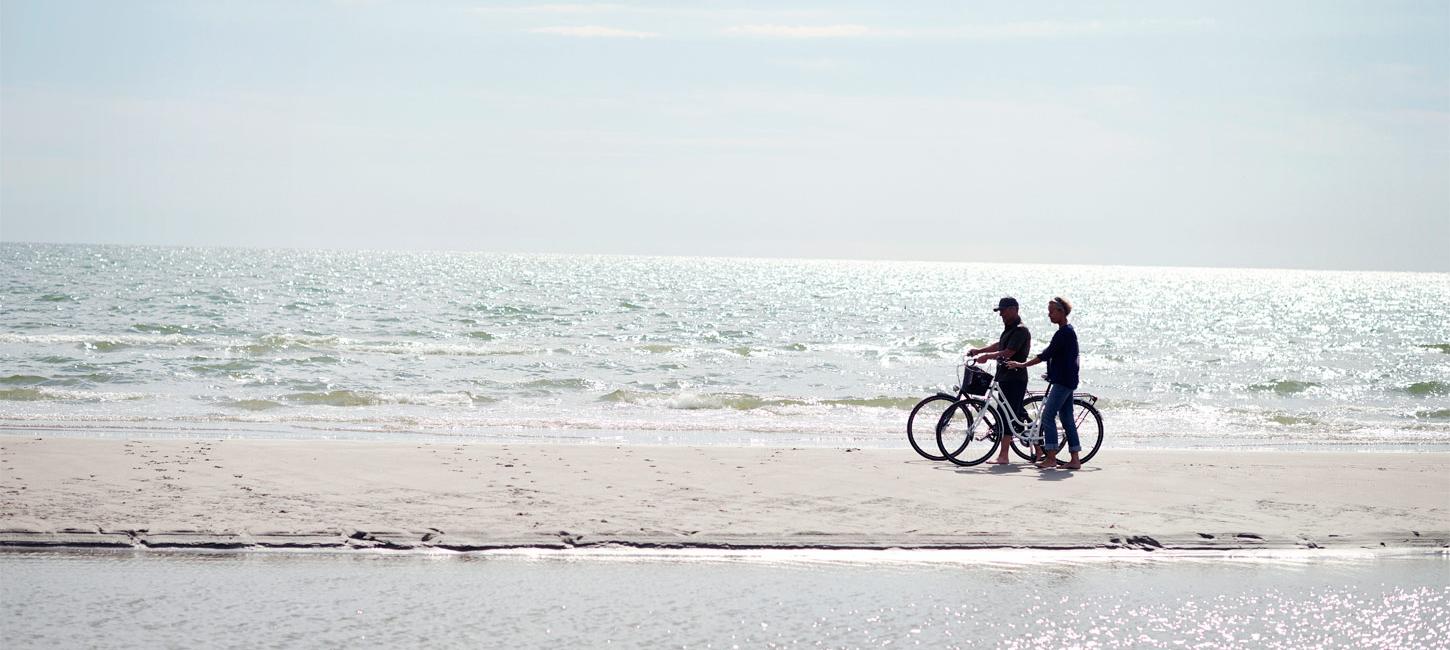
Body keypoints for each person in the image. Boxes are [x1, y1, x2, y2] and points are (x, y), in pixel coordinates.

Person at [1007, 296, 1080, 469]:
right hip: (1067, 380)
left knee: (1047, 416)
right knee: (1067, 418)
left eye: (1052, 312)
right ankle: (1075, 459)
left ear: (1061, 312)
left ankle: (1051, 457)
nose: (1049, 315)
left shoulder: (1064, 333)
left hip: (1063, 381)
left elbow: (1047, 354)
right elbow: (1062, 357)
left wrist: (1022, 364)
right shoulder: (1067, 331)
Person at [966, 297, 1031, 465]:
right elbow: (1000, 345)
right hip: (1004, 377)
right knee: (1016, 413)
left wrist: (987, 357)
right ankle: (1038, 450)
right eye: (999, 311)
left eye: (1003, 310)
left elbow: (1008, 352)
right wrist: (980, 350)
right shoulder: (1009, 329)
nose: (1000, 314)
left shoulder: (1020, 330)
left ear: (1014, 309)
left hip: (1015, 378)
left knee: (1006, 416)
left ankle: (1004, 456)